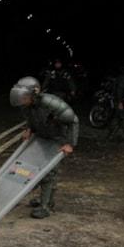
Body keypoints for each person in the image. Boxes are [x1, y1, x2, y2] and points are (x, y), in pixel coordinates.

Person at [9, 76, 78, 219]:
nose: (22, 99)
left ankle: (46, 207)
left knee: (49, 173)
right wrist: (29, 129)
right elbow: (33, 119)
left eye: (25, 96)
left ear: (34, 94)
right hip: (42, 137)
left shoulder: (50, 103)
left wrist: (70, 144)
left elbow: (73, 120)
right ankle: (44, 199)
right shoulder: (26, 106)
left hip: (58, 139)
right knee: (34, 169)